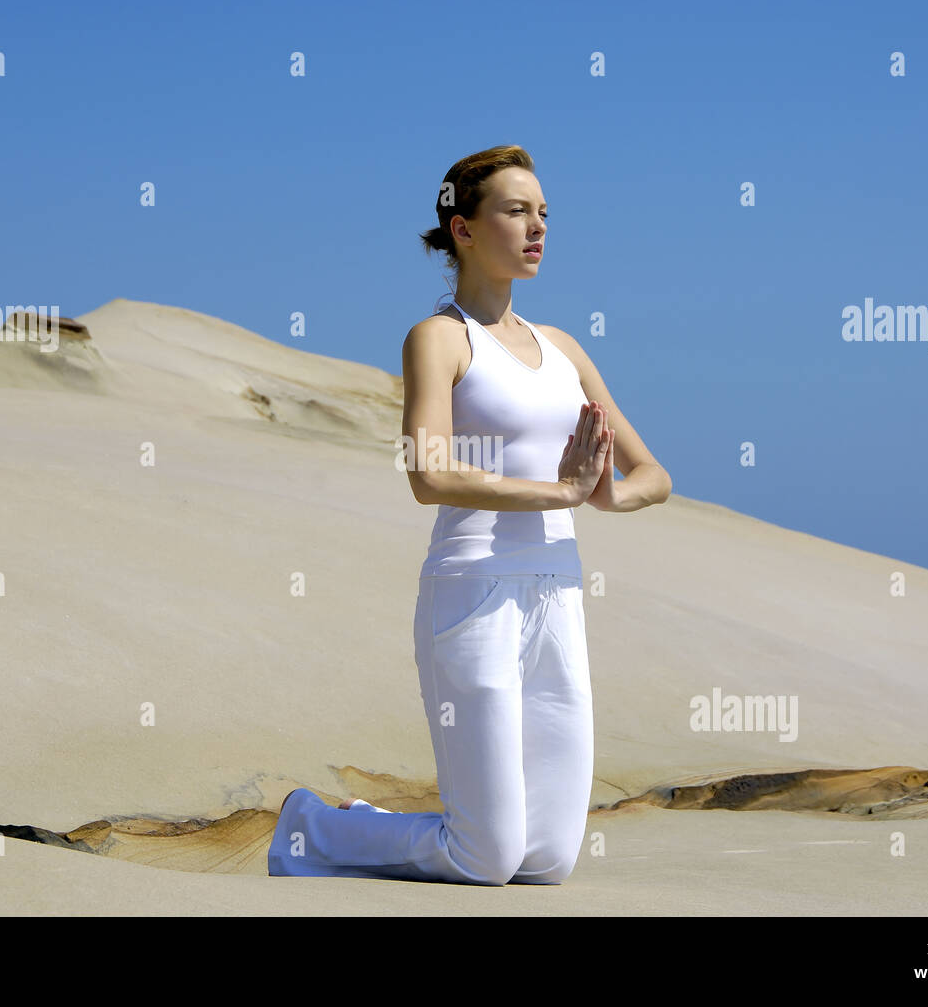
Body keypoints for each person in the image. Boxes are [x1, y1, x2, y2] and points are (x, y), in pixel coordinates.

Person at [268, 144, 671, 884]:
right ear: (463, 228)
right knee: (483, 856)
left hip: (558, 595)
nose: (537, 227)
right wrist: (558, 492)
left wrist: (601, 490)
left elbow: (651, 475)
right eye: (516, 211)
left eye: (544, 213)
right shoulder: (440, 339)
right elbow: (429, 472)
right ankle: (312, 825)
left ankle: (365, 826)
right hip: (472, 591)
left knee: (546, 859)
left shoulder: (565, 350)